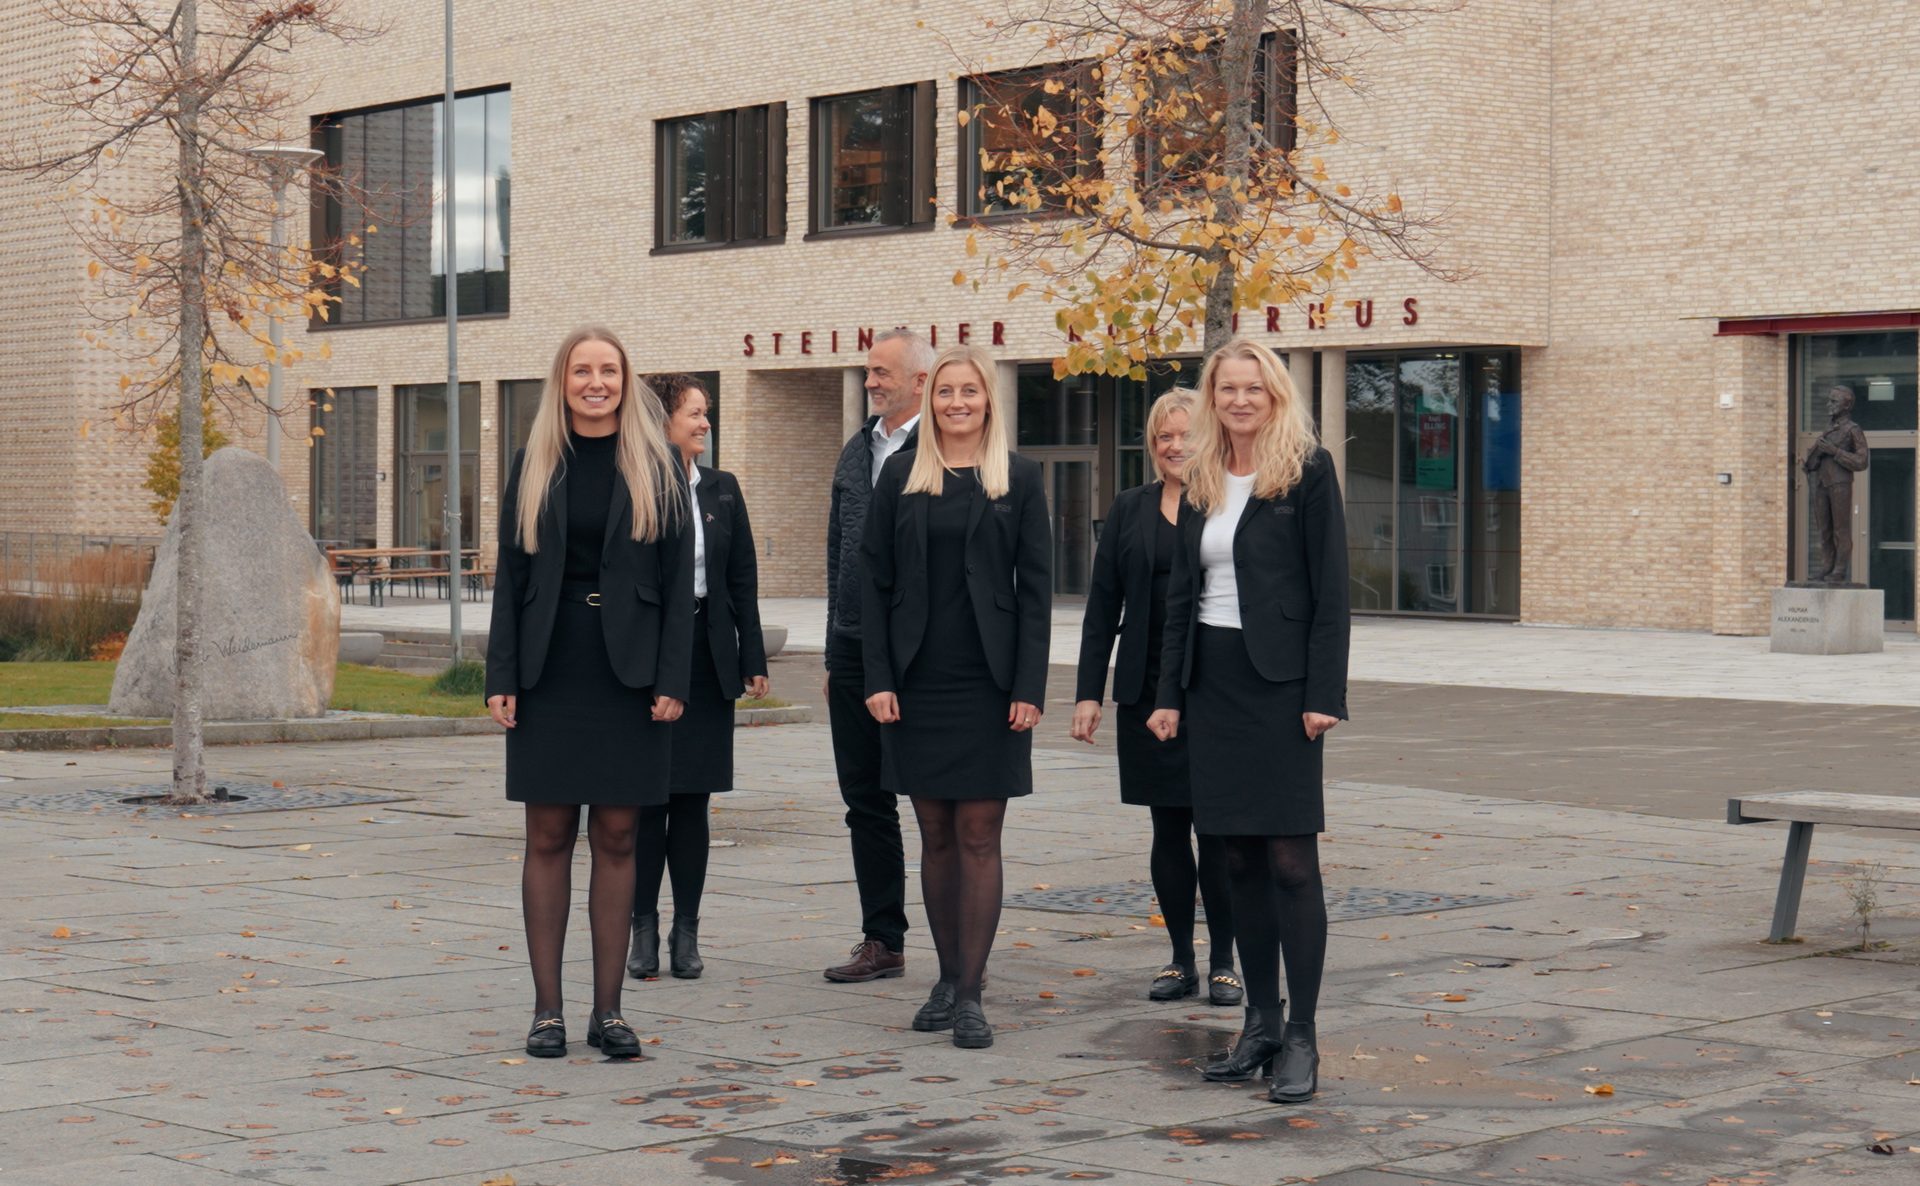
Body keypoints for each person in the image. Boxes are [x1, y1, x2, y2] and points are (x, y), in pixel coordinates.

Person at [1147, 337, 1350, 1105]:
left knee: (1291, 862)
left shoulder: (1307, 470)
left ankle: (1302, 1036)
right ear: (1211, 397)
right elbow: (1178, 598)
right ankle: (1259, 1024)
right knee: (1232, 860)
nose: (1239, 400)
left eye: (1252, 389)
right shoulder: (1199, 475)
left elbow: (1332, 592)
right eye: (1226, 388)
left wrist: (1323, 692)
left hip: (1284, 687)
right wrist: (1169, 694)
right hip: (1214, 684)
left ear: (1274, 396)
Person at [485, 327, 693, 1062]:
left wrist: (675, 679)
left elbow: (677, 584)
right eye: (583, 370)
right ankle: (548, 1012)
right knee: (547, 837)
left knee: (617, 837)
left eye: (608, 370)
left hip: (630, 677)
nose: (596, 382)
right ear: (563, 380)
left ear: (625, 379)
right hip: (549, 672)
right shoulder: (534, 461)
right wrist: (500, 675)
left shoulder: (660, 463)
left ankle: (610, 1012)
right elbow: (511, 579)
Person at [862, 344, 1051, 1049]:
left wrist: (1029, 687)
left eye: (970, 391)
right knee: (935, 835)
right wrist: (878, 677)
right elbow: (873, 586)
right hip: (916, 683)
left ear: (988, 400)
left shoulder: (1020, 480)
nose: (958, 403)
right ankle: (945, 976)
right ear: (930, 399)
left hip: (990, 685)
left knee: (979, 835)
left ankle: (970, 993)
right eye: (946, 392)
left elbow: (1035, 593)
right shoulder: (901, 477)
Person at [1071, 388, 1241, 1007]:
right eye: (1164, 436)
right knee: (1167, 828)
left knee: (1216, 829)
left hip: (1211, 686)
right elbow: (1101, 607)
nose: (1175, 446)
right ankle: (1179, 959)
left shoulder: (1225, 505)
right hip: (1143, 689)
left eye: (1187, 434)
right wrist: (1090, 692)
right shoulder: (1129, 508)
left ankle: (1225, 959)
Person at [627, 375, 768, 982]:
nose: (705, 424)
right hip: (648, 661)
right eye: (694, 414)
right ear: (662, 421)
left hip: (708, 662)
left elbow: (743, 581)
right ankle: (643, 931)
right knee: (643, 805)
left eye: (706, 413)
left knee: (693, 803)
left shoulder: (723, 489)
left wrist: (753, 657)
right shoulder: (632, 485)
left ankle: (687, 931)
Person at [821, 329, 928, 983]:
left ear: (920, 380)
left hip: (921, 659)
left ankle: (961, 944)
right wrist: (836, 655)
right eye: (867, 373)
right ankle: (882, 937)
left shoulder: (944, 451)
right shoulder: (856, 452)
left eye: (883, 372)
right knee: (865, 799)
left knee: (936, 803)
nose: (871, 382)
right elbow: (837, 556)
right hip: (857, 653)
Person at [1802, 384, 1869, 584]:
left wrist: (1835, 452)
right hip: (1822, 484)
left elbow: (1862, 461)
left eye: (1834, 401)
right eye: (1829, 400)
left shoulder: (1853, 430)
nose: (1828, 404)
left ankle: (1839, 570)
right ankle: (1826, 567)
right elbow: (1811, 465)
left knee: (1841, 529)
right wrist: (1814, 455)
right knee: (1824, 529)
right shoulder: (1829, 429)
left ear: (1846, 405)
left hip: (1840, 483)